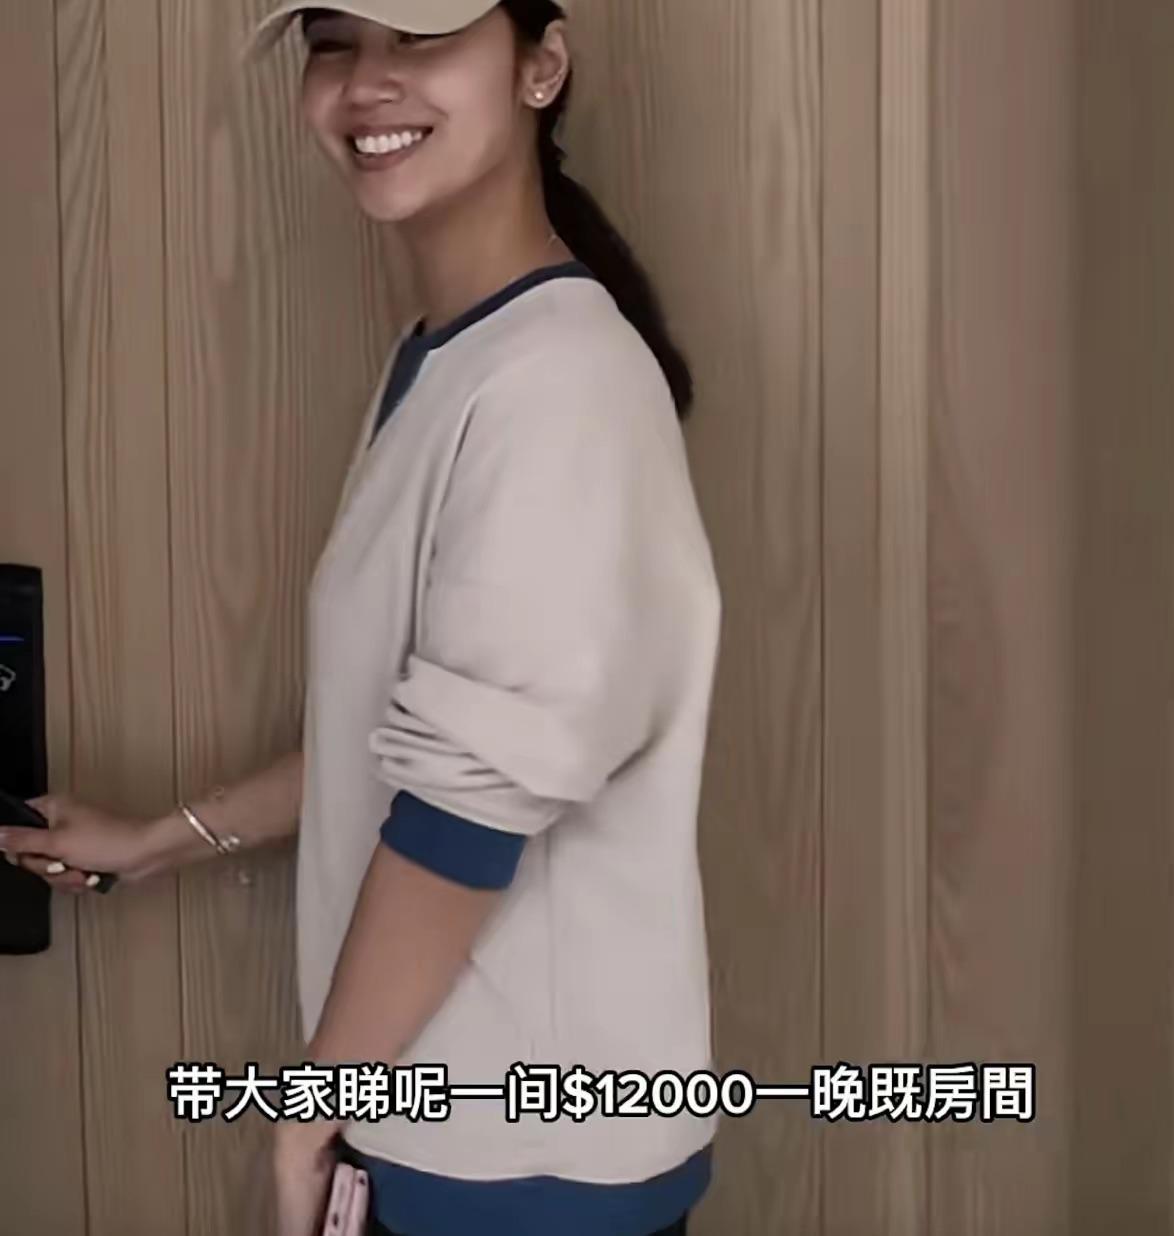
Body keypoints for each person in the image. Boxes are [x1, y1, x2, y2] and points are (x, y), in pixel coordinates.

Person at [0, 2, 723, 1233]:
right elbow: (408, 736)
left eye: (420, 36)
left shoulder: (559, 388)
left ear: (540, 66)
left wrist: (311, 1113)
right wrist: (156, 839)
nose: (366, 82)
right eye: (333, 42)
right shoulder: (444, 355)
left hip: (522, 1170)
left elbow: (462, 814)